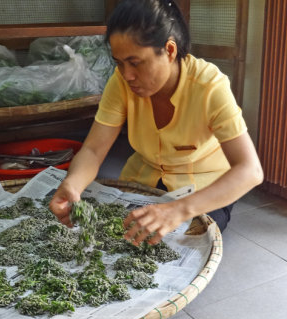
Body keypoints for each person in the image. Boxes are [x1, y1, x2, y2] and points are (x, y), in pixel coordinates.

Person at [49, 0, 263, 246]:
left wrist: (179, 210)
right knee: (117, 236)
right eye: (119, 62)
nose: (126, 75)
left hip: (203, 185)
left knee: (180, 241)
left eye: (136, 62)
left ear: (169, 51)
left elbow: (250, 171)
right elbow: (93, 149)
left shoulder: (210, 87)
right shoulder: (120, 83)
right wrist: (72, 184)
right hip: (146, 176)